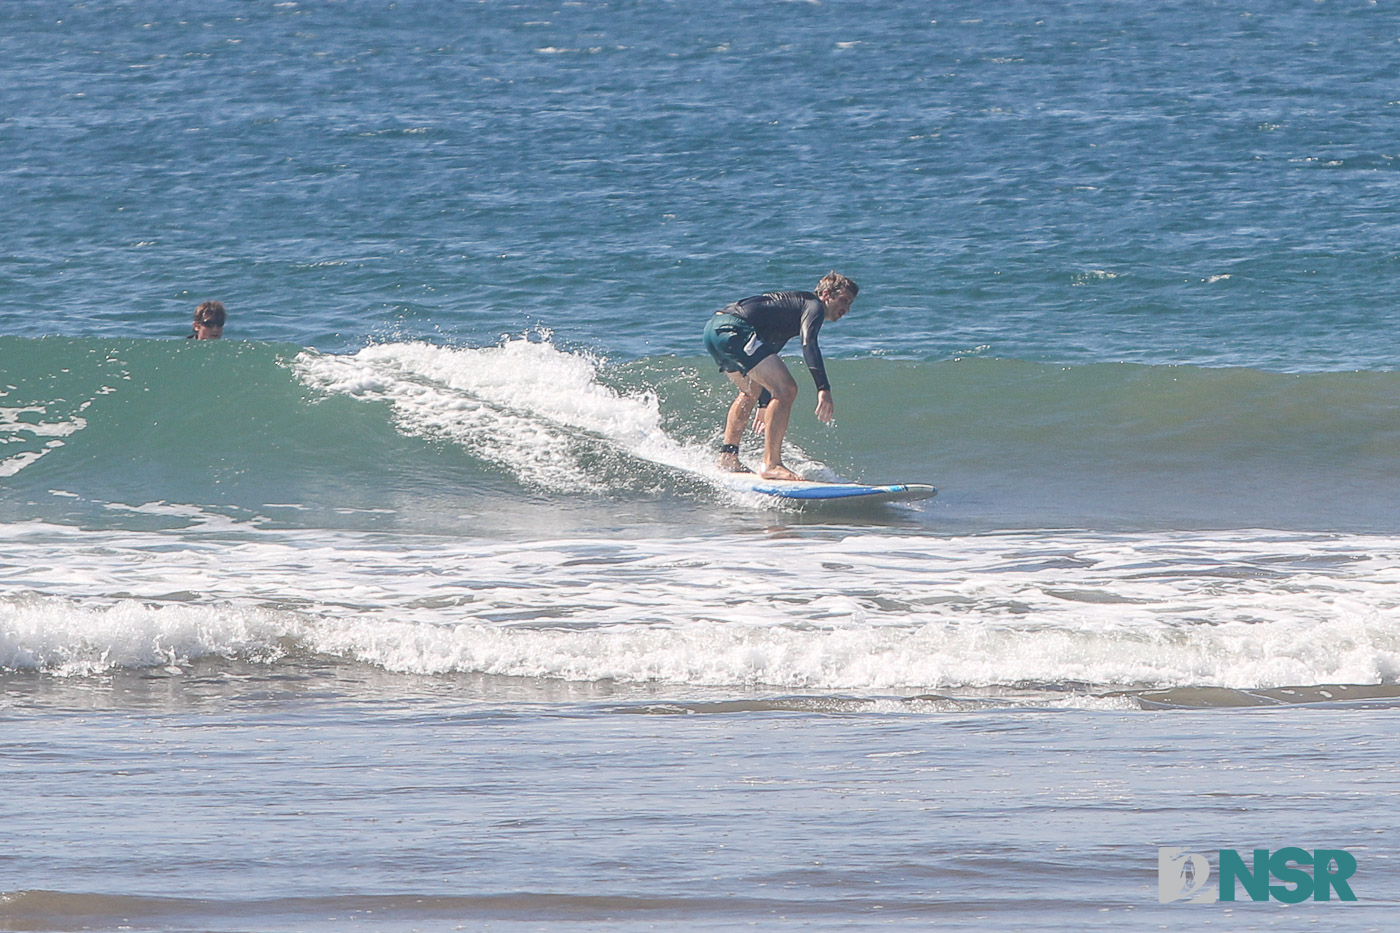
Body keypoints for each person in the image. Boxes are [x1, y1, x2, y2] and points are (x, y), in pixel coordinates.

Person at [702, 271, 858, 481]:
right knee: (787, 389)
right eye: (844, 301)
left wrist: (764, 404)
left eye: (850, 304)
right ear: (826, 294)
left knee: (750, 391)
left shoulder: (790, 311)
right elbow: (809, 343)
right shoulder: (814, 306)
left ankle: (728, 458)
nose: (846, 310)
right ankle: (772, 464)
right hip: (735, 329)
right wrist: (823, 388)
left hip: (714, 329)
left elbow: (766, 361)